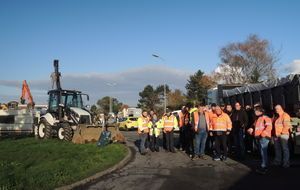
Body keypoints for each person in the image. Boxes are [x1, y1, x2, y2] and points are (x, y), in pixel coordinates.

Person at [247, 106, 272, 174]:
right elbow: (254, 126)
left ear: (260, 111)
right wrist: (251, 129)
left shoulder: (265, 118)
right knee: (262, 152)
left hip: (264, 137)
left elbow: (269, 127)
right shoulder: (258, 119)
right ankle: (264, 166)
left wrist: (262, 135)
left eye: (256, 111)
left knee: (263, 153)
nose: (255, 112)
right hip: (260, 137)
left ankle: (264, 167)